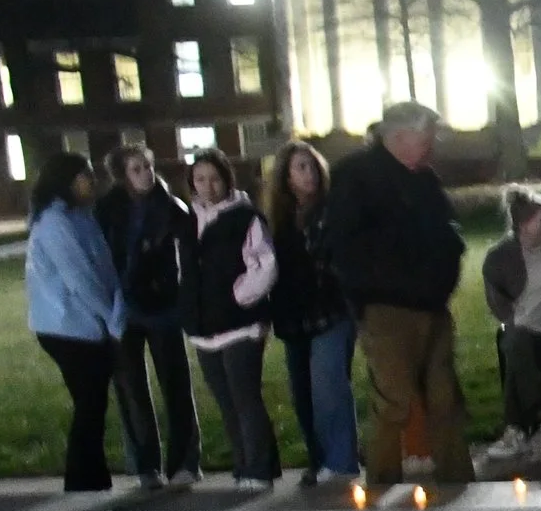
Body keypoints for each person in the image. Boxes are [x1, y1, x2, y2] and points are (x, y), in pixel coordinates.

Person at [325, 101, 472, 486]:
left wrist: (446, 261)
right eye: (426, 138)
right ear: (399, 137)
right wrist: (375, 286)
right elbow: (342, 246)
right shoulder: (356, 177)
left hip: (433, 306)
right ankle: (383, 483)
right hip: (385, 308)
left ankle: (458, 481)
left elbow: (446, 230)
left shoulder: (425, 181)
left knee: (445, 399)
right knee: (395, 400)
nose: (432, 146)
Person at [93, 142, 200, 485]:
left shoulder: (171, 208)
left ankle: (185, 463)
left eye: (149, 167)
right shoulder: (108, 209)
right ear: (123, 176)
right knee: (131, 389)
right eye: (136, 169)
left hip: (162, 307)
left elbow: (188, 256)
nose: (145, 174)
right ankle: (144, 465)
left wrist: (174, 290)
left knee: (175, 384)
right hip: (122, 308)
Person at [180, 148, 282, 491]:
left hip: (241, 325)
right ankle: (244, 465)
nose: (207, 186)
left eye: (214, 178)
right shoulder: (188, 220)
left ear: (227, 179)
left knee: (245, 397)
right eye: (200, 179)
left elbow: (265, 265)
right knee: (225, 401)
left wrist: (239, 297)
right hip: (203, 329)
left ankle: (259, 469)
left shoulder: (245, 218)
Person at [260, 139, 358, 485]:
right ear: (286, 178)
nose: (310, 174)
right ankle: (320, 459)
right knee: (302, 394)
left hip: (331, 312)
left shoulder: (332, 211)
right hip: (293, 316)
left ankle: (342, 462)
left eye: (313, 166)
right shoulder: (278, 221)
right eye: (301, 167)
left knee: (329, 385)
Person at [24, 151, 122, 493]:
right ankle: (84, 481)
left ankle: (90, 478)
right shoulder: (56, 223)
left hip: (82, 326)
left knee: (92, 405)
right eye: (85, 175)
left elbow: (103, 268)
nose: (92, 181)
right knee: (90, 404)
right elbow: (81, 278)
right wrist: (112, 320)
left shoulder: (81, 215)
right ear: (66, 181)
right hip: (68, 328)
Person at [480, 184, 541, 459]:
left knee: (515, 342)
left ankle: (516, 429)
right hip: (519, 327)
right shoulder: (501, 257)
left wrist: (521, 323)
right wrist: (515, 321)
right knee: (515, 341)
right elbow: (497, 301)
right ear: (523, 224)